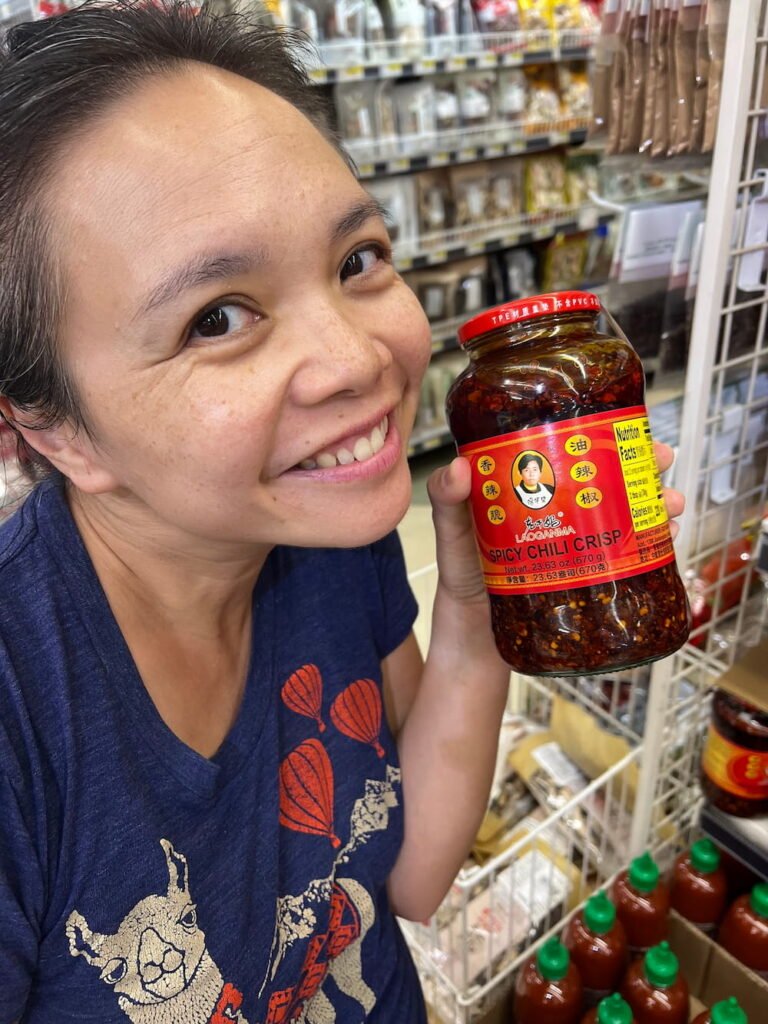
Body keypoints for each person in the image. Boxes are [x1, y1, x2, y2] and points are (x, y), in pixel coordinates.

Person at [0, 4, 685, 1022]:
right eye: (217, 317)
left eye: (357, 258)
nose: (363, 359)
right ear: (58, 433)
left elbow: (405, 875)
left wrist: (473, 619)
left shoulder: (318, 529)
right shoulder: (26, 708)